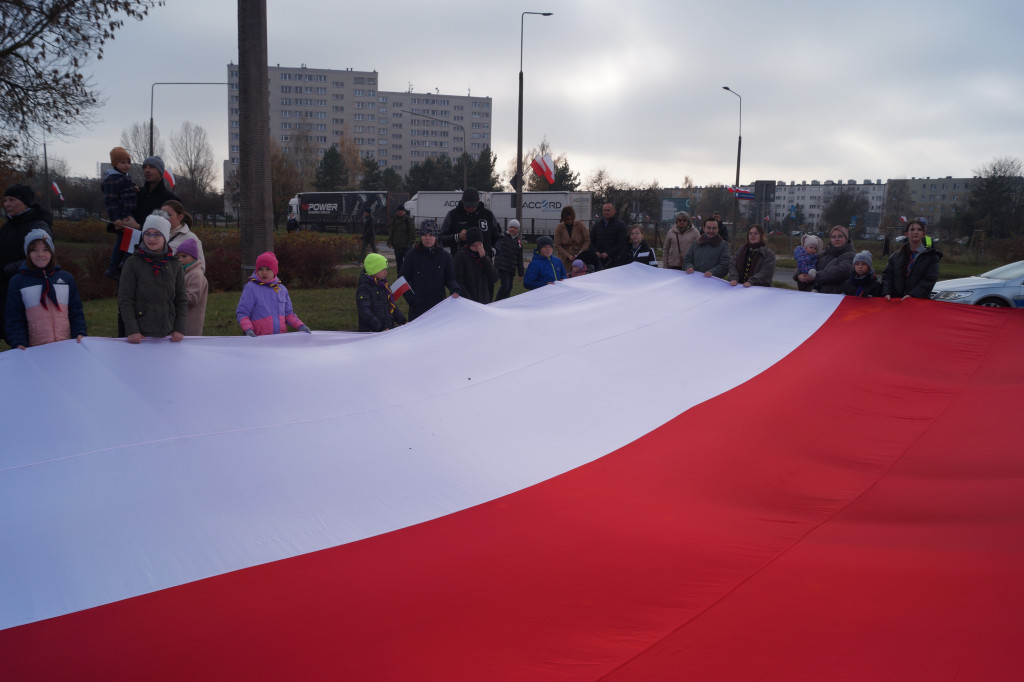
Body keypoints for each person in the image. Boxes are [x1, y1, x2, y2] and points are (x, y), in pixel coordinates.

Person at [4, 228, 86, 349]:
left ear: (52, 252)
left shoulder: (66, 279)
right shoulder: (18, 282)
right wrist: (18, 341)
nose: (40, 254)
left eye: (45, 249)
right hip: (35, 349)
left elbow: (76, 312)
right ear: (28, 253)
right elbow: (14, 317)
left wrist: (80, 333)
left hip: (67, 346)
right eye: (34, 250)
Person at [118, 213, 187, 344]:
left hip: (169, 332)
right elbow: (125, 299)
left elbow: (181, 299)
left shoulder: (174, 264)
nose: (151, 238)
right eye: (147, 233)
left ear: (165, 237)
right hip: (141, 333)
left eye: (157, 234)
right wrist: (132, 330)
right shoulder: (133, 263)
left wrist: (180, 328)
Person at [2, 184, 55, 342]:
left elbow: (41, 257)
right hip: (8, 288)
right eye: (5, 200)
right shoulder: (9, 225)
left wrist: (6, 270)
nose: (7, 204)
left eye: (12, 200)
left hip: (28, 287)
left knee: (28, 339)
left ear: (25, 202)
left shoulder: (37, 225)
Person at [399, 219, 461, 321]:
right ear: (421, 236)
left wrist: (455, 289)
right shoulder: (412, 255)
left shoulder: (444, 256)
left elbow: (450, 279)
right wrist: (411, 299)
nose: (428, 238)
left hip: (438, 307)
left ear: (436, 236)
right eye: (424, 235)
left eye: (431, 235)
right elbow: (401, 279)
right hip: (417, 309)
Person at [236, 251, 311, 336]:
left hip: (279, 338)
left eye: (268, 269)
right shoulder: (251, 288)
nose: (264, 272)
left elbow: (288, 314)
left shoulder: (281, 289)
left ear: (274, 271)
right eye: (260, 269)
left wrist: (300, 325)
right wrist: (248, 329)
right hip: (258, 338)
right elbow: (243, 313)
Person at [101, 146, 139, 280]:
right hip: (122, 214)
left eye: (128, 162)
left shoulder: (126, 178)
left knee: (128, 239)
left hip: (130, 213)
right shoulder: (112, 179)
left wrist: (136, 189)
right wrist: (115, 218)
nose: (126, 165)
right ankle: (116, 265)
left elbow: (129, 190)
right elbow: (110, 201)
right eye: (122, 162)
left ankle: (120, 263)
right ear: (115, 164)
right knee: (128, 238)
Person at [882, 219, 942, 300]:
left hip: (918, 303)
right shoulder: (895, 257)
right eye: (912, 229)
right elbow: (887, 277)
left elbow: (929, 280)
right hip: (897, 303)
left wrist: (912, 295)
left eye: (919, 230)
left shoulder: (931, 258)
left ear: (924, 234)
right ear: (906, 234)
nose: (916, 232)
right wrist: (887, 292)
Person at [440, 187, 502, 258]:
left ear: (478, 200)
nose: (470, 209)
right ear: (462, 200)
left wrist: (493, 251)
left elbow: (500, 238)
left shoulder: (488, 215)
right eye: (467, 206)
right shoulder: (452, 215)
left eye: (473, 207)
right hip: (460, 263)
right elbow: (441, 239)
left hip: (484, 263)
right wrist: (457, 237)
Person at [797, 225, 854, 294]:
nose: (836, 239)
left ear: (846, 238)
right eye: (834, 237)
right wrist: (799, 275)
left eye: (840, 236)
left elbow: (841, 271)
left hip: (834, 296)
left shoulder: (850, 255)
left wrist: (816, 276)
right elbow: (807, 263)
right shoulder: (824, 253)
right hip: (813, 294)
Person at [357, 253, 406, 332]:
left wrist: (402, 321)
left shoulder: (384, 285)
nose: (386, 272)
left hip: (386, 330)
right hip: (372, 333)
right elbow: (364, 312)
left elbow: (392, 306)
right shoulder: (364, 288)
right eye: (383, 269)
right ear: (374, 269)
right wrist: (380, 328)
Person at [453, 227, 499, 305]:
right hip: (467, 302)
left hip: (483, 301)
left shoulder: (484, 256)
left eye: (480, 244)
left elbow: (494, 278)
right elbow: (457, 281)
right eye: (474, 245)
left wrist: (484, 258)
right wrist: (468, 300)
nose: (477, 248)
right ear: (469, 244)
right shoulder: (460, 256)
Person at [133, 156, 179, 226]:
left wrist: (139, 227)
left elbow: (172, 229)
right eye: (144, 167)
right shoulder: (137, 193)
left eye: (151, 167)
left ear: (160, 171)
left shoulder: (171, 199)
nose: (147, 170)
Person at [162, 200, 206, 271]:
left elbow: (201, 268)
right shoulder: (155, 236)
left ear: (180, 216)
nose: (164, 218)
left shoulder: (191, 238)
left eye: (169, 215)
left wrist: (179, 278)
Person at [177, 238, 208, 336]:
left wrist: (173, 295)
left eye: (184, 256)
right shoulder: (183, 272)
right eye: (178, 257)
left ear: (194, 258)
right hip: (181, 321)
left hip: (190, 323)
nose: (180, 259)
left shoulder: (196, 275)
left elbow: (192, 299)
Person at [589, 203, 627, 270]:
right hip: (598, 261)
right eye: (604, 210)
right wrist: (595, 251)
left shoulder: (621, 225)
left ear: (614, 211)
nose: (606, 212)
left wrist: (608, 253)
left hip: (614, 261)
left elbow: (622, 243)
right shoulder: (597, 225)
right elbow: (591, 241)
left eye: (608, 210)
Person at [494, 218, 524, 300]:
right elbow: (497, 250)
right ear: (508, 228)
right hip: (502, 267)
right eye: (511, 227)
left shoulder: (519, 243)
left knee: (509, 287)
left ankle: (505, 302)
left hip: (511, 268)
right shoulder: (502, 238)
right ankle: (497, 302)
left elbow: (519, 259)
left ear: (518, 230)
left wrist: (521, 273)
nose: (513, 229)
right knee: (505, 286)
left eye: (515, 228)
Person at [553, 205, 589, 273]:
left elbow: (587, 240)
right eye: (567, 219)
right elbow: (557, 245)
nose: (569, 221)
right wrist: (567, 255)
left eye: (571, 219)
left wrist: (581, 251)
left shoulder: (580, 225)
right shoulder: (559, 227)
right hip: (564, 259)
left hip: (579, 258)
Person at [387, 203, 416, 274]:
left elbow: (412, 233)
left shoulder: (408, 220)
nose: (400, 212)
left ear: (404, 211)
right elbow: (391, 232)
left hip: (406, 247)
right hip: (397, 247)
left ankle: (409, 279)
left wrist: (409, 244)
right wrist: (389, 242)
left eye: (402, 210)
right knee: (399, 264)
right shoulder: (394, 220)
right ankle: (400, 279)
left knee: (408, 264)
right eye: (399, 210)